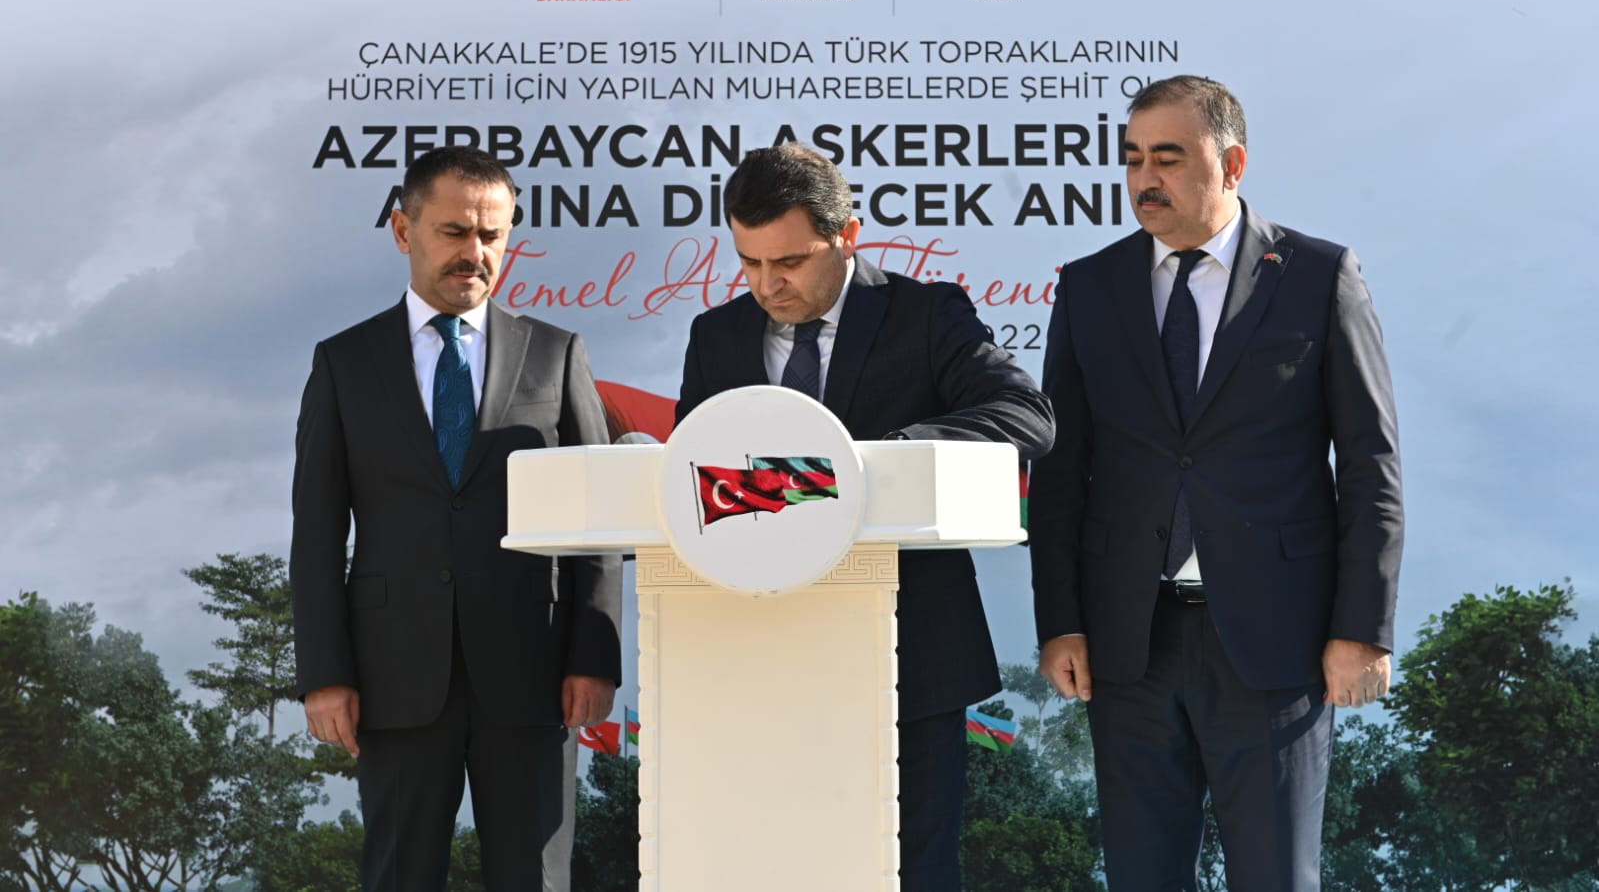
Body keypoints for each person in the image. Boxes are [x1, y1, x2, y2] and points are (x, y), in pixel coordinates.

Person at [1029, 75, 1404, 890]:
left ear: (1231, 164)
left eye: (1167, 158)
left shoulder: (1317, 275)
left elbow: (1369, 464)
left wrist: (1362, 629)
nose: (1144, 179)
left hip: (1274, 642)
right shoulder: (1089, 286)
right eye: (1132, 159)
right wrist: (1060, 623)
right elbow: (1059, 470)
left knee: (1275, 877)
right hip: (1129, 644)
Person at [675, 142, 1054, 892]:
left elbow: (1026, 416)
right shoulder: (716, 336)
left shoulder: (925, 314)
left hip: (911, 655)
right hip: (762, 658)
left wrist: (879, 462)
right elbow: (698, 479)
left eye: (789, 262)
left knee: (916, 873)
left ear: (847, 235)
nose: (767, 284)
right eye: (749, 263)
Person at [290, 146, 623, 892]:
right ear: (402, 230)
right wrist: (325, 674)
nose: (474, 252)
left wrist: (594, 655)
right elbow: (316, 532)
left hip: (534, 673)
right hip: (394, 675)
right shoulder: (343, 363)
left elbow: (595, 513)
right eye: (453, 232)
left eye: (491, 235)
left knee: (536, 880)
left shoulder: (557, 353)